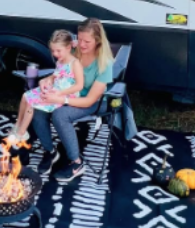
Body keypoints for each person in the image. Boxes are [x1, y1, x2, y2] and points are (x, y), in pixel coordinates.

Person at [32, 18, 132, 183]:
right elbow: (61, 72)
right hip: (69, 94)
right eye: (80, 39)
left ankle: (77, 163)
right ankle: (50, 151)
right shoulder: (75, 51)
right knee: (38, 108)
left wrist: (60, 99)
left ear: (97, 40)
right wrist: (48, 79)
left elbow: (89, 100)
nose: (82, 44)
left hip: (94, 102)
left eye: (87, 41)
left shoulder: (104, 63)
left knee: (60, 115)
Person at [7, 30, 84, 145]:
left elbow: (79, 85)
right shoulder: (60, 61)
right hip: (54, 90)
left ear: (68, 47)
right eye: (53, 51)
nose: (55, 54)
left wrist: (60, 93)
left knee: (31, 103)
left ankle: (22, 133)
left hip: (66, 94)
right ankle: (18, 125)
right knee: (25, 95)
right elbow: (55, 76)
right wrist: (47, 81)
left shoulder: (75, 63)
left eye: (58, 50)